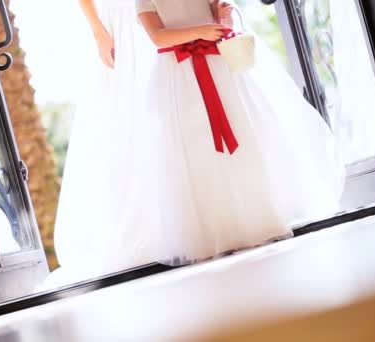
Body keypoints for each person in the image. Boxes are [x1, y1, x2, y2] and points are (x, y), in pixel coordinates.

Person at [134, 0, 346, 266]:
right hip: (179, 72)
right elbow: (157, 36)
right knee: (196, 148)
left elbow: (219, 22)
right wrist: (200, 31)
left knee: (244, 135)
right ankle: (213, 231)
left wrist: (223, 19)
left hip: (218, 61)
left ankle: (256, 217)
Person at [45, 0, 156, 287]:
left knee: (159, 112)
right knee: (122, 121)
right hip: (116, 25)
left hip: (151, 17)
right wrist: (99, 32)